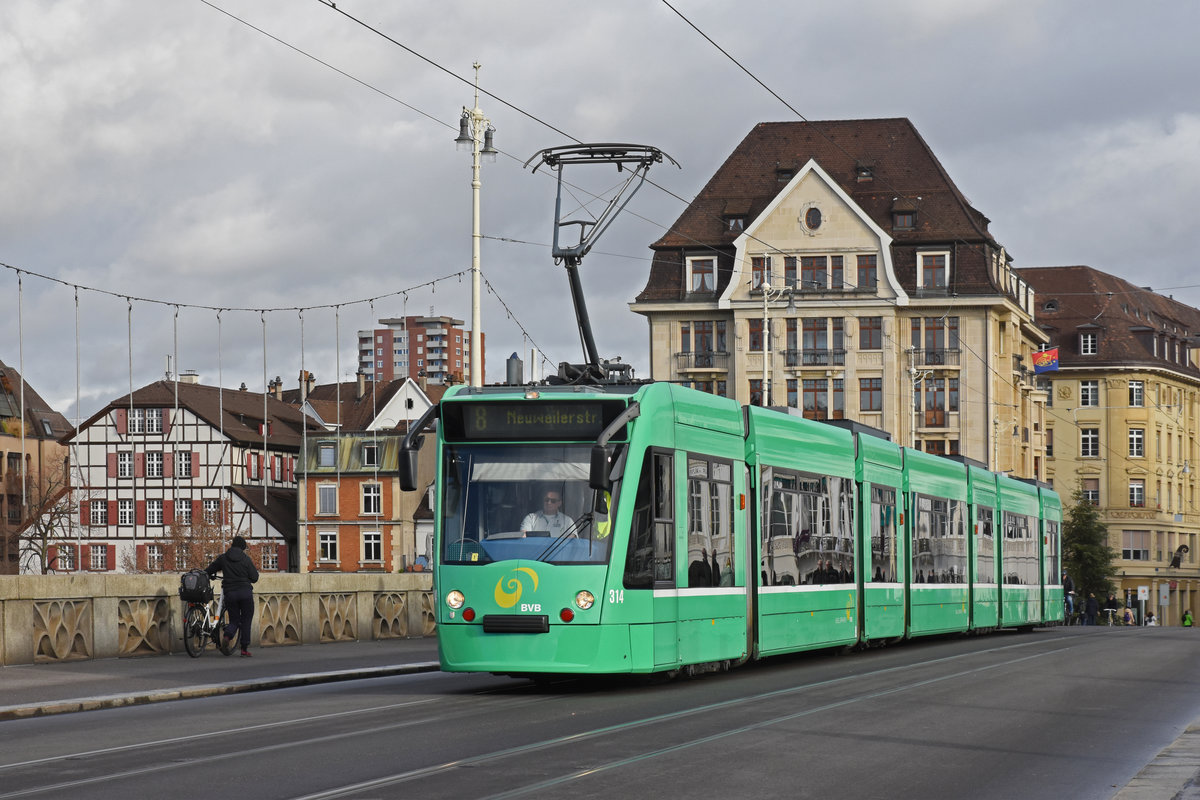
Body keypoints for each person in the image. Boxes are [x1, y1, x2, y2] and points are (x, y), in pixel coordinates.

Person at [206, 535, 260, 657]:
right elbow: (255, 578)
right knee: (246, 620)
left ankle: (227, 636)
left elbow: (209, 570)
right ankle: (244, 649)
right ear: (242, 547)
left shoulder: (224, 558)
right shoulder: (246, 559)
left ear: (232, 545)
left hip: (230, 593)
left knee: (234, 619)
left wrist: (209, 574)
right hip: (245, 593)